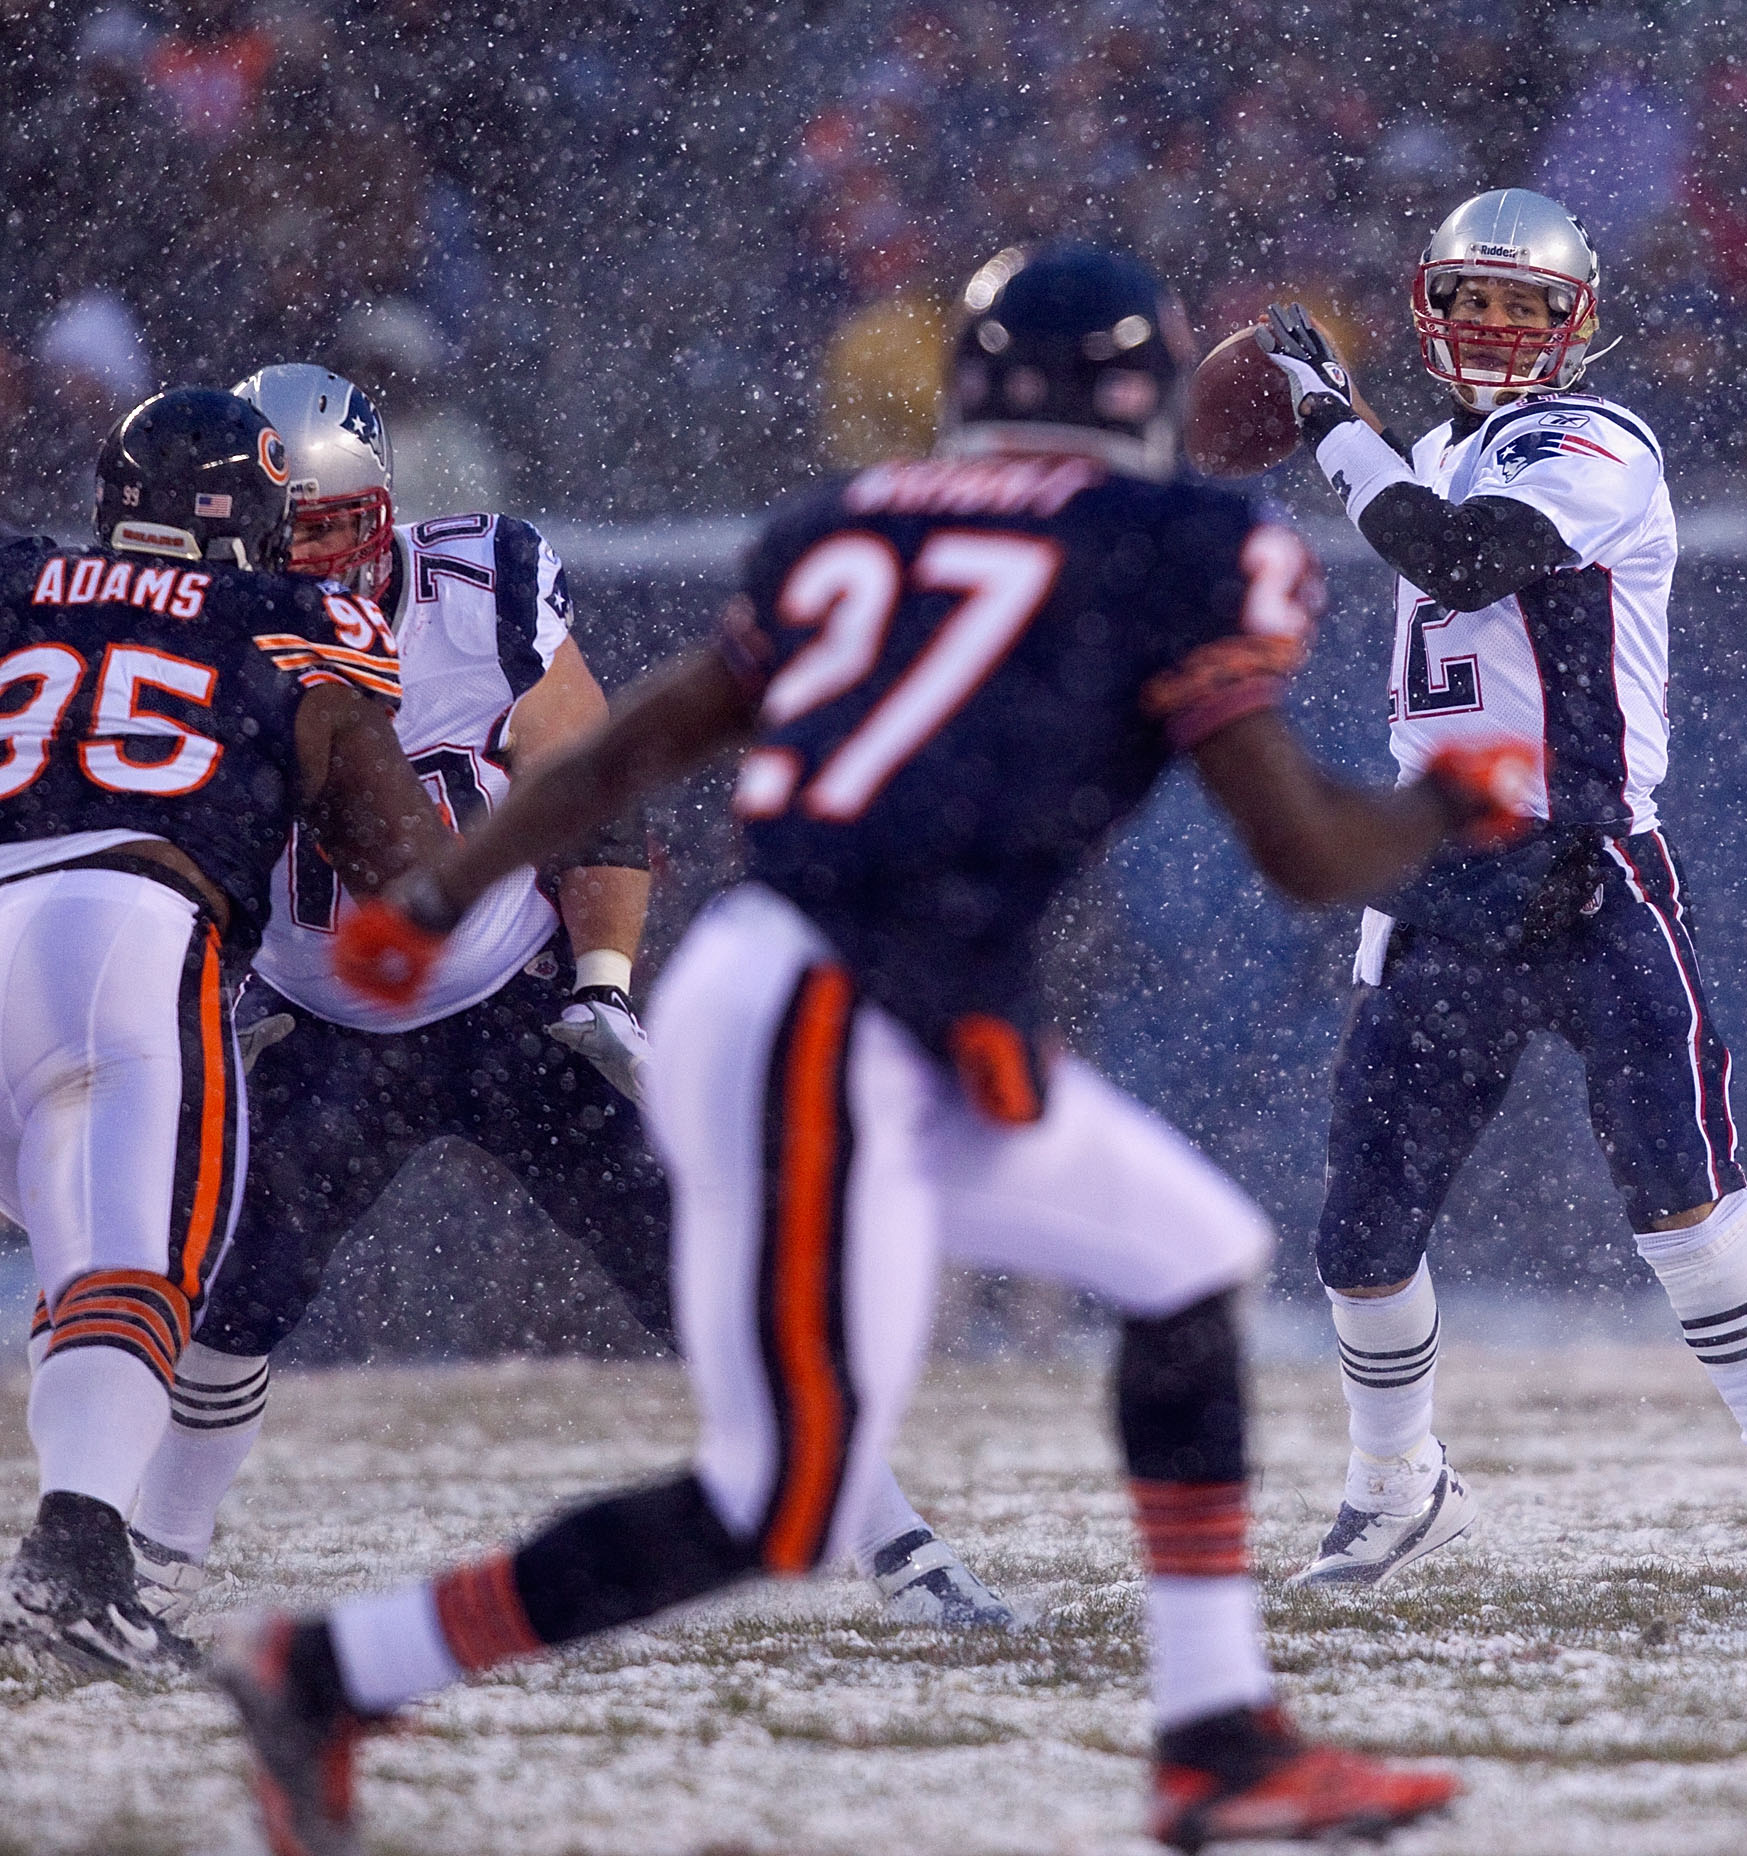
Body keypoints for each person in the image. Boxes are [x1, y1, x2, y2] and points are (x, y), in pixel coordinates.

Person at [209, 245, 1522, 1855]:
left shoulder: (852, 524)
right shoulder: (1187, 543)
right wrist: (1443, 811)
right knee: (787, 1500)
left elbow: (630, 750)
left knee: (1187, 1261)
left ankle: (1219, 1741)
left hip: (880, 998)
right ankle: (329, 1669)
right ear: (1147, 384)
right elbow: (1310, 855)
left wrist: (437, 899)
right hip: (833, 1017)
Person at [126, 363, 1011, 1628]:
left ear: (380, 509)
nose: (309, 558)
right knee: (235, 1296)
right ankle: (151, 1561)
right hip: (321, 1015)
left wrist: (602, 984)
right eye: (287, 530)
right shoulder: (200, 629)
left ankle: (901, 1542)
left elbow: (589, 779)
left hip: (506, 992)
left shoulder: (476, 592)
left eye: (332, 525)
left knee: (707, 1274)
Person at [1256, 187, 1747, 1598]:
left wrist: (1325, 423)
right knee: (1362, 1219)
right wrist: (1351, 436)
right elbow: (1427, 524)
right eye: (1469, 301)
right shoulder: (1429, 448)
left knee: (1687, 1200)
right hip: (1436, 873)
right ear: (1430, 307)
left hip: (1588, 865)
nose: (1490, 329)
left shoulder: (1598, 439)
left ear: (1573, 324)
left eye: (1521, 306)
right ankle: (1393, 1487)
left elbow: (1463, 556)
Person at [1, 388, 450, 1676]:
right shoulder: (296, 618)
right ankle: (81, 1561)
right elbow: (401, 860)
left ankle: (80, 1552)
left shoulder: (19, 576)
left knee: (79, 1262)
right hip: (122, 937)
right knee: (127, 1270)